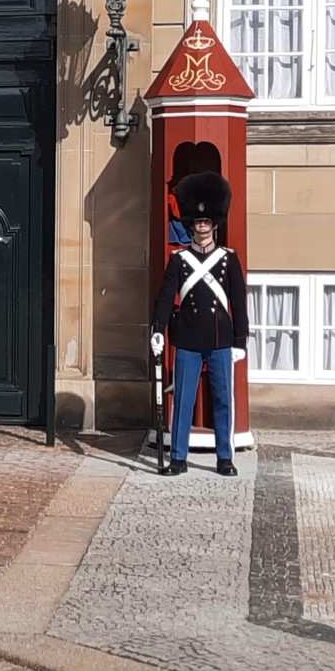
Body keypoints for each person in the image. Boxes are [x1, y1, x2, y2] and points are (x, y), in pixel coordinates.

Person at [149, 171, 248, 477]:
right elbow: (166, 298)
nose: (202, 227)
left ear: (214, 224)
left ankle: (224, 457)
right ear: (191, 225)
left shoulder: (228, 259)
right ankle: (178, 457)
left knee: (222, 400)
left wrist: (240, 341)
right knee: (183, 400)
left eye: (206, 223)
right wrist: (157, 329)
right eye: (197, 223)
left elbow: (239, 300)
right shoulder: (179, 260)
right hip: (189, 339)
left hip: (220, 339)